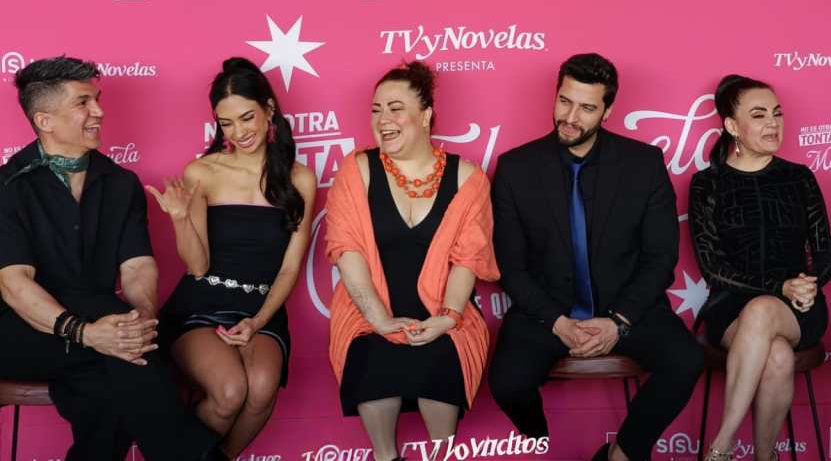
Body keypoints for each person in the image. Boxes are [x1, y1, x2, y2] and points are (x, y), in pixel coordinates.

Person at [0, 56, 223, 460]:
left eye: (97, 99)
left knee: (107, 390)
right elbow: (15, 285)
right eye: (83, 102)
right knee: (117, 340)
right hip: (21, 333)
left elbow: (138, 265)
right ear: (45, 120)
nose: (99, 111)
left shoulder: (121, 183)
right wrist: (87, 333)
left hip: (102, 332)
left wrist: (137, 324)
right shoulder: (8, 187)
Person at [487, 53, 704, 461]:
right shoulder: (516, 168)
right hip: (546, 312)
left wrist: (618, 321)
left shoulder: (643, 164)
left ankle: (620, 454)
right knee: (507, 383)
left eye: (586, 108)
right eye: (564, 101)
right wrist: (558, 322)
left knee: (686, 359)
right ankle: (542, 443)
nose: (570, 117)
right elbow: (511, 267)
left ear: (608, 111)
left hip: (628, 308)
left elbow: (660, 257)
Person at [324, 61, 499, 461]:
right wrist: (379, 320)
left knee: (439, 364)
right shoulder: (356, 170)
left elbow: (467, 261)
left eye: (395, 108)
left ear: (425, 115)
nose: (383, 119)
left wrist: (448, 318)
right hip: (369, 315)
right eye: (376, 110)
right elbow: (347, 252)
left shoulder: (468, 178)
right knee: (374, 360)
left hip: (443, 313)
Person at [148, 57, 316, 458]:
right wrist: (180, 219)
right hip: (202, 305)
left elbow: (290, 266)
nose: (239, 132)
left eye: (247, 118)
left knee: (261, 391)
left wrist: (258, 320)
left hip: (261, 308)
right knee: (230, 391)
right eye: (226, 123)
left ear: (269, 109)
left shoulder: (300, 179)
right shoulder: (202, 172)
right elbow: (197, 266)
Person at [688, 74, 831, 461]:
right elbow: (712, 268)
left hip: (799, 309)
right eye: (759, 115)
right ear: (732, 125)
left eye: (777, 113)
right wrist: (778, 287)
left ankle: (721, 445)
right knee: (777, 354)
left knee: (764, 310)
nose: (773, 123)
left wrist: (807, 285)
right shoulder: (708, 184)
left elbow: (824, 253)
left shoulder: (799, 177)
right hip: (730, 308)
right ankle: (765, 456)